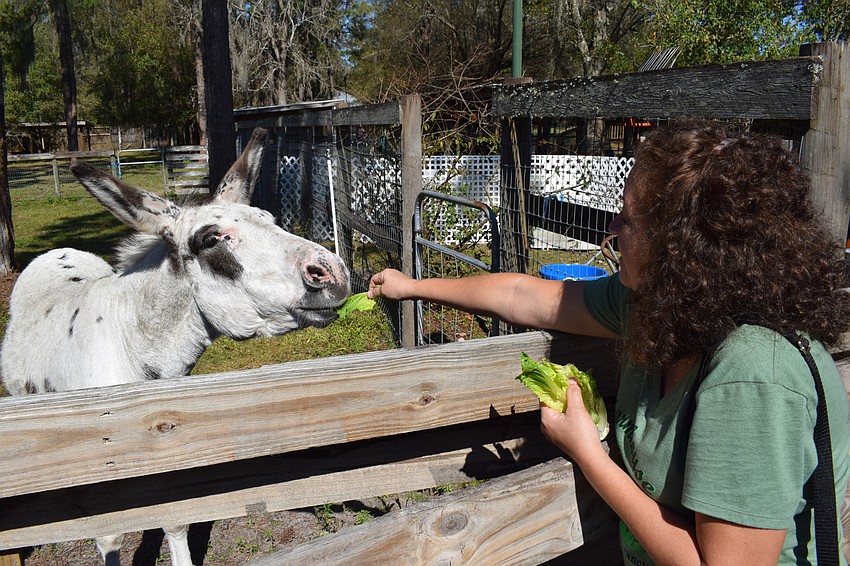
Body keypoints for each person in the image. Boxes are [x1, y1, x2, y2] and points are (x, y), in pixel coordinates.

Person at [368, 120, 850, 565]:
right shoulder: (655, 306)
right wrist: (411, 287)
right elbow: (523, 294)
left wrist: (589, 454)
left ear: (684, 247)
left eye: (628, 219)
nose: (612, 230)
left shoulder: (752, 374)